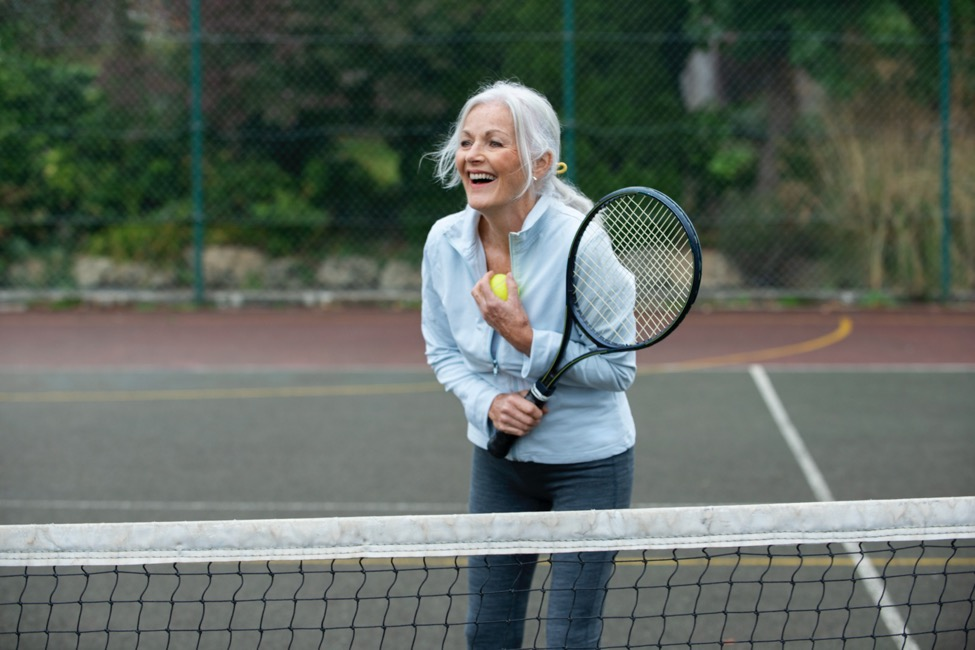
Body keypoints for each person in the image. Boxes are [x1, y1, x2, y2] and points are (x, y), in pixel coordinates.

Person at [421, 80, 637, 649]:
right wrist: (487, 402)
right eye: (467, 142)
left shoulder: (583, 243)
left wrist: (525, 338)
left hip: (588, 466)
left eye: (494, 142)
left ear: (540, 162)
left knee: (569, 637)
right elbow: (441, 350)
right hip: (498, 463)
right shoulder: (443, 242)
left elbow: (619, 369)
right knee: (487, 632)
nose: (474, 155)